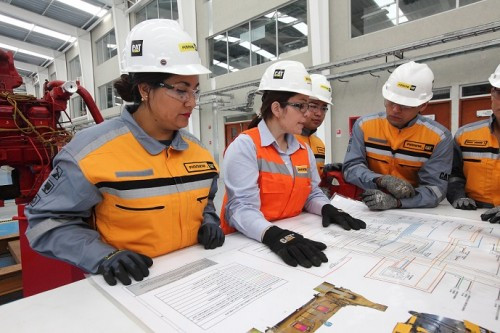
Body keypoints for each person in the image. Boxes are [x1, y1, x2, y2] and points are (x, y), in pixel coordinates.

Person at [25, 19, 225, 286]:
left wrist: (209, 221)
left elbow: (206, 200)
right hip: (129, 287)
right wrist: (103, 256)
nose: (191, 101)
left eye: (194, 90)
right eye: (180, 90)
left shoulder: (199, 152)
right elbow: (45, 222)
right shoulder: (90, 152)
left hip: (194, 280)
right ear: (144, 89)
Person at [220, 60, 366, 269]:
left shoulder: (302, 150)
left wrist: (327, 208)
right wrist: (275, 235)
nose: (307, 114)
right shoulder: (246, 146)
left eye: (309, 105)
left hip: (289, 240)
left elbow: (310, 193)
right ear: (277, 108)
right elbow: (240, 208)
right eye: (301, 106)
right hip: (246, 247)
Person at [343, 61, 453, 210]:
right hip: (366, 206)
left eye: (405, 106)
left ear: (423, 105)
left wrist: (398, 203)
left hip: (413, 211)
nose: (395, 110)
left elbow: (435, 190)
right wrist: (380, 180)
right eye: (391, 102)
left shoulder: (439, 138)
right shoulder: (364, 125)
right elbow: (351, 168)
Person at [447, 64, 500, 224]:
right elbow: (453, 174)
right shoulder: (465, 135)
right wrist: (458, 195)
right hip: (473, 218)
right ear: (492, 94)